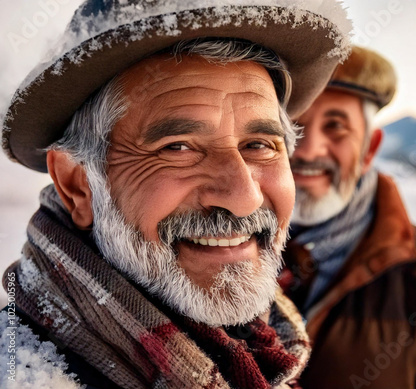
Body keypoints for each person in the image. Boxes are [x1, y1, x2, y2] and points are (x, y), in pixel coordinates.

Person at [0, 1, 352, 388]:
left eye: (259, 144)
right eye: (178, 147)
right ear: (77, 186)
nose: (244, 197)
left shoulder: (272, 355)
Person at [280, 46, 416, 388]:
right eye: (294, 126)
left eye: (336, 126)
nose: (308, 150)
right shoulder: (211, 249)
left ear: (369, 149)